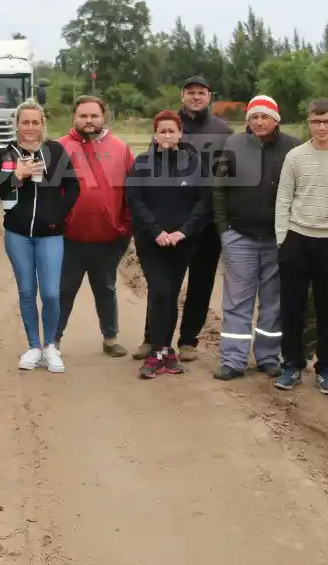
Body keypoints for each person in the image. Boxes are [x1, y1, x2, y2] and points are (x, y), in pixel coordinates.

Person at [0, 100, 79, 372]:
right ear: (17, 124)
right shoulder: (5, 154)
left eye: (35, 122)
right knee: (27, 291)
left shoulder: (55, 151)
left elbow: (73, 187)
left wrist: (56, 215)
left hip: (50, 234)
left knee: (50, 293)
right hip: (18, 234)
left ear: (43, 124)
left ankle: (50, 346)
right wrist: (16, 176)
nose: (30, 127)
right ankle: (34, 346)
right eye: (25, 122)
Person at [273, 98, 328, 395]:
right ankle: (292, 365)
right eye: (316, 121)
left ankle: (325, 369)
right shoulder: (295, 157)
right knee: (292, 308)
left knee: (327, 311)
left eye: (327, 122)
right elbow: (284, 199)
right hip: (296, 239)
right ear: (308, 122)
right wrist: (282, 239)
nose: (321, 127)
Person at [211, 94, 299, 380]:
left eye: (265, 116)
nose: (259, 122)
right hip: (239, 236)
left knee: (273, 301)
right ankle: (233, 359)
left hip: (277, 237)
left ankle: (268, 356)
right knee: (237, 301)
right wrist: (224, 229)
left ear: (276, 119)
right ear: (247, 120)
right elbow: (219, 190)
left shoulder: (292, 148)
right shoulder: (233, 145)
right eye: (254, 117)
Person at [127, 110, 212, 379]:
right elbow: (134, 199)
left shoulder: (195, 164)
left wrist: (182, 232)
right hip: (151, 242)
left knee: (170, 294)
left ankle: (163, 351)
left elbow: (203, 203)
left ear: (179, 134)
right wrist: (156, 232)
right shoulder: (142, 163)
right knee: (160, 291)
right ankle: (159, 351)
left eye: (171, 131)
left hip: (182, 243)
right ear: (155, 135)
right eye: (161, 131)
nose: (166, 135)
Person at [55, 95, 134, 357]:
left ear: (104, 117)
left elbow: (132, 193)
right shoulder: (58, 148)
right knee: (63, 291)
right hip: (68, 238)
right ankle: (53, 341)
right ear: (74, 118)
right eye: (83, 116)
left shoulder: (121, 148)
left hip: (108, 239)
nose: (89, 121)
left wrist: (124, 229)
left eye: (94, 116)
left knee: (106, 288)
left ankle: (110, 338)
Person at [162, 75, 232, 362]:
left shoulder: (224, 131)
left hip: (209, 220)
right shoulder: (168, 125)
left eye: (200, 92)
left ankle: (189, 339)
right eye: (190, 92)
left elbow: (230, 174)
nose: (195, 97)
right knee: (166, 283)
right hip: (175, 216)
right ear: (182, 96)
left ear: (209, 96)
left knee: (201, 283)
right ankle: (154, 338)